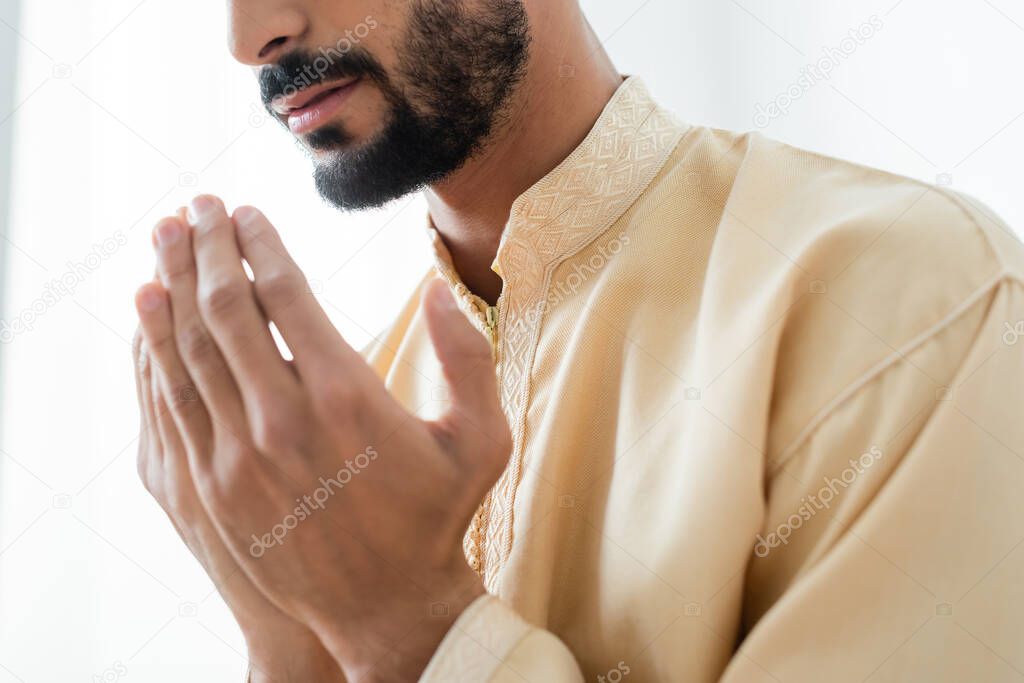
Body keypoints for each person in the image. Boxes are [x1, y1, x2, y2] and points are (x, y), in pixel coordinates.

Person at [132, 1, 1024, 681]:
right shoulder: (348, 424)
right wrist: (289, 642)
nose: (253, 35)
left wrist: (407, 626)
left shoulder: (917, 296)